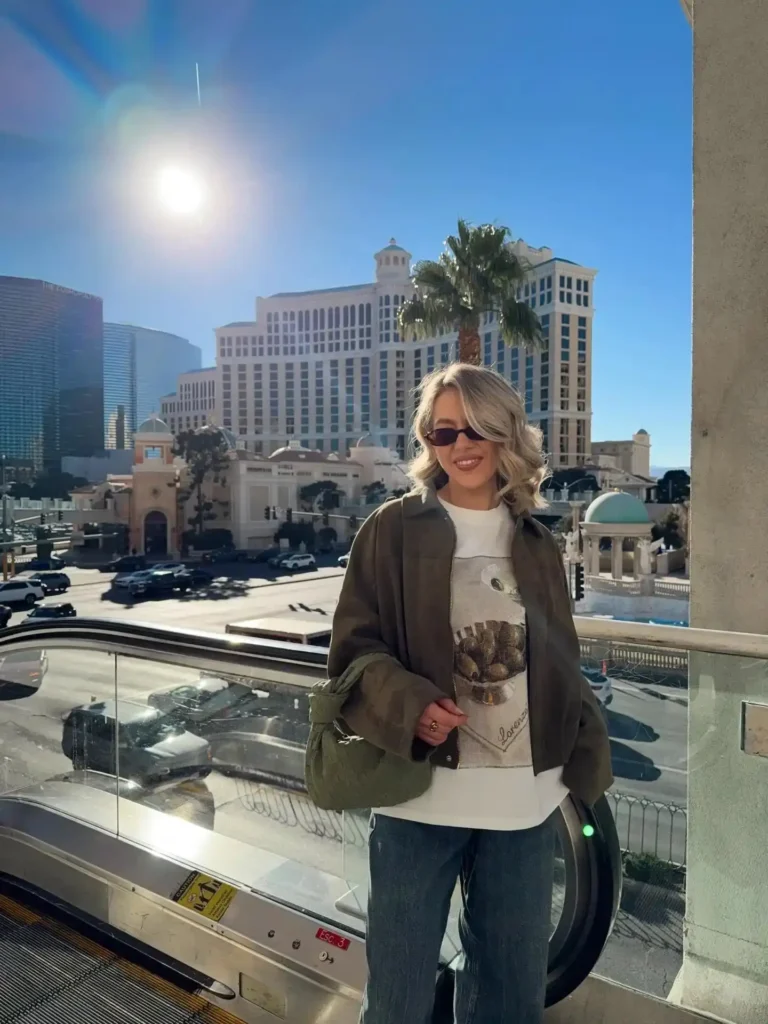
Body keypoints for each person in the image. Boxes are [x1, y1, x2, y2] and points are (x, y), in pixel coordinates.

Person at [327, 363, 613, 1024]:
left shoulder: (536, 540)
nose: (461, 444)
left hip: (524, 808)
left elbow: (559, 658)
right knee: (396, 1000)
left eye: (477, 428)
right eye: (444, 430)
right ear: (428, 440)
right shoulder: (391, 529)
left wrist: (582, 755)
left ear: (506, 432)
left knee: (510, 1000)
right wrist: (411, 707)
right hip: (418, 800)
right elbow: (353, 649)